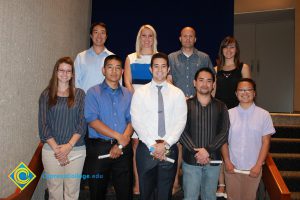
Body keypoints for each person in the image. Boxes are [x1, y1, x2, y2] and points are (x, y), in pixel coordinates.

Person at [131, 52, 187, 200]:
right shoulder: (140, 93)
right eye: (156, 66)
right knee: (146, 194)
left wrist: (166, 144)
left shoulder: (178, 93)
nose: (160, 69)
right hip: (146, 148)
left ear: (168, 69)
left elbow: (180, 121)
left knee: (165, 194)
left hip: (169, 148)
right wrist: (152, 145)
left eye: (163, 66)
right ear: (150, 69)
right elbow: (137, 121)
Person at [167, 26, 214, 193]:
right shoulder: (171, 57)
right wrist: (180, 97)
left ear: (195, 39)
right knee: (178, 143)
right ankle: (174, 182)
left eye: (191, 36)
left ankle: (200, 180)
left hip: (199, 106)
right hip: (177, 106)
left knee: (197, 140)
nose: (187, 39)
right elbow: (168, 81)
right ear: (180, 38)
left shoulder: (204, 57)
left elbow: (210, 81)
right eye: (184, 36)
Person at [84, 55, 133, 200]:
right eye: (110, 67)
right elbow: (92, 120)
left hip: (123, 149)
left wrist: (120, 144)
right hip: (99, 148)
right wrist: (119, 137)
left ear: (123, 71)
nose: (114, 71)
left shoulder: (128, 94)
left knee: (125, 193)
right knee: (97, 192)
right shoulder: (93, 92)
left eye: (118, 68)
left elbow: (132, 121)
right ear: (103, 70)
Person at [39, 57, 86, 200]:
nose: (65, 74)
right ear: (56, 72)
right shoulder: (46, 95)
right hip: (51, 151)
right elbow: (43, 125)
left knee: (72, 192)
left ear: (72, 74)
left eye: (68, 71)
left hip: (76, 149)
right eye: (61, 70)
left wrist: (68, 147)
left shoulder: (80, 94)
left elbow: (82, 123)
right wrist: (59, 150)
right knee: (54, 192)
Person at [180, 67, 229, 200]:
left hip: (213, 161)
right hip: (191, 161)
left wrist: (207, 150)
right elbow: (181, 131)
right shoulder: (185, 105)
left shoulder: (221, 106)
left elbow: (224, 133)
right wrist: (197, 152)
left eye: (209, 81)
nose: (205, 84)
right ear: (194, 82)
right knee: (190, 197)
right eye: (201, 80)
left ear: (213, 84)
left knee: (209, 197)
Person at [222, 78, 275, 200]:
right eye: (241, 90)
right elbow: (223, 141)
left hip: (253, 169)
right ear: (236, 93)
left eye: (248, 90)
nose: (245, 92)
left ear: (254, 93)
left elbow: (266, 142)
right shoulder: (228, 114)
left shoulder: (264, 115)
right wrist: (227, 161)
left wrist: (258, 165)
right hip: (232, 168)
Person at [214, 36, 251, 198]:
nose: (228, 51)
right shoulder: (215, 70)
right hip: (220, 114)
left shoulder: (243, 68)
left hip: (239, 114)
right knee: (222, 150)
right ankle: (222, 184)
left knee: (234, 149)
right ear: (221, 50)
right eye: (225, 47)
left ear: (236, 50)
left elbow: (247, 92)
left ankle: (233, 183)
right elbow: (213, 94)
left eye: (232, 47)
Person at [124, 24, 158, 195]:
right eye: (143, 36)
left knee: (156, 143)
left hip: (156, 110)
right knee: (137, 144)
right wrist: (139, 101)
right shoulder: (131, 58)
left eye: (150, 36)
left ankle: (154, 182)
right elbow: (128, 83)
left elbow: (165, 83)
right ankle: (138, 183)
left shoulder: (159, 58)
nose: (146, 39)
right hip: (137, 107)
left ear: (154, 38)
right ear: (139, 38)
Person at [74, 22, 114, 93]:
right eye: (96, 32)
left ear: (106, 36)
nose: (99, 36)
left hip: (106, 101)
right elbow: (75, 81)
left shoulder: (113, 58)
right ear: (91, 35)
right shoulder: (81, 57)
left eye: (102, 32)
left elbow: (117, 82)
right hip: (85, 101)